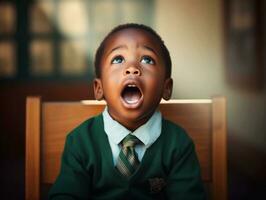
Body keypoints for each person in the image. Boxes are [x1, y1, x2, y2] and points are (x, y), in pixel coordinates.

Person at [49, 23, 206, 200]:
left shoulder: (177, 144)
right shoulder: (81, 141)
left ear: (166, 88)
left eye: (147, 60)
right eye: (118, 59)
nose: (132, 68)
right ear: (99, 88)